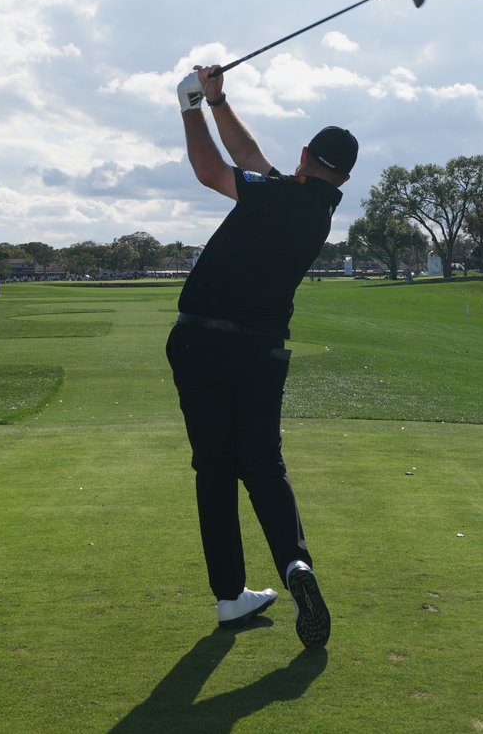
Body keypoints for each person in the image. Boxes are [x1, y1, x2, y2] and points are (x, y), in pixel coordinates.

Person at [164, 63, 356, 649]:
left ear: (303, 154)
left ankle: (229, 597)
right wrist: (219, 102)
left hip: (200, 342)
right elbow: (250, 160)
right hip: (262, 352)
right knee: (263, 465)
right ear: (342, 173)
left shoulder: (279, 195)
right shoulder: (312, 207)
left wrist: (189, 108)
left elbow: (210, 170)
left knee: (215, 471)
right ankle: (295, 566)